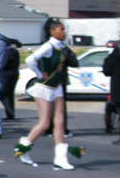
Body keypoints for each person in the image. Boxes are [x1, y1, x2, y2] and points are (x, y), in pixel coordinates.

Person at [15, 19, 83, 169]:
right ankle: (23, 147)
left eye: (64, 29)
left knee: (59, 123)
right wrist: (39, 73)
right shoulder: (48, 46)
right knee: (45, 123)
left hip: (57, 87)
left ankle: (60, 158)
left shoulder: (61, 47)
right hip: (44, 87)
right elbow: (30, 59)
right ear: (52, 31)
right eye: (61, 29)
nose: (64, 32)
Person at [0, 35, 22, 120]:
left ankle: (10, 111)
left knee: (2, 93)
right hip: (15, 73)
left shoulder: (7, 52)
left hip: (6, 74)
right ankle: (10, 113)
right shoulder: (14, 51)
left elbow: (3, 64)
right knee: (10, 93)